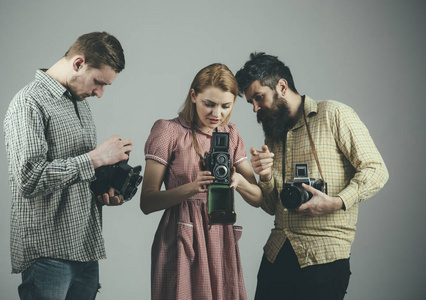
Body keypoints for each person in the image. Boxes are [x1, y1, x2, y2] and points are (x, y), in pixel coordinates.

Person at [235, 52, 389, 300]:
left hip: (324, 256)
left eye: (259, 97)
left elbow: (376, 170)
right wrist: (264, 177)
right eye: (251, 102)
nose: (255, 108)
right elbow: (271, 206)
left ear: (282, 86)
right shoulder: (273, 135)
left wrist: (336, 202)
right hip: (276, 253)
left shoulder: (333, 114)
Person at [4, 32, 132, 299]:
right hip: (48, 253)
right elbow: (28, 179)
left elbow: (77, 172)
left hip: (85, 247)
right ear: (78, 63)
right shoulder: (28, 102)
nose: (100, 93)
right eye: (98, 82)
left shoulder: (79, 102)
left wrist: (105, 186)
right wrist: (97, 157)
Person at [140, 63, 263, 300]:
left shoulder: (231, 134)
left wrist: (239, 180)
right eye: (210, 104)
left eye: (226, 106)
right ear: (193, 95)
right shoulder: (168, 131)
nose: (217, 114)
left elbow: (258, 198)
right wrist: (191, 188)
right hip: (181, 234)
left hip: (221, 234)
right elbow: (147, 202)